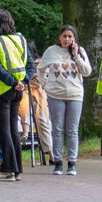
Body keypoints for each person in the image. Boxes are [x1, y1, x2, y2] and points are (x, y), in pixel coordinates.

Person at [37, 25, 92, 175]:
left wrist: (76, 56)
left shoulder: (80, 51)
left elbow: (87, 72)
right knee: (57, 129)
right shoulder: (51, 51)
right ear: (59, 37)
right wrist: (44, 84)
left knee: (72, 130)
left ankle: (72, 163)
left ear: (74, 38)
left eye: (70, 36)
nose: (67, 39)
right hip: (56, 95)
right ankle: (58, 162)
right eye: (64, 36)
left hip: (75, 95)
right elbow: (40, 69)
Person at [0, 8, 28, 181]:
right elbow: (29, 64)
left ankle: (8, 169)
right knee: (13, 131)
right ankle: (17, 170)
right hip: (17, 91)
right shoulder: (20, 39)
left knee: (4, 131)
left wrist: (12, 82)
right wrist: (21, 82)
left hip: (1, 91)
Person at [19, 39, 53, 162]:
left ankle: (50, 151)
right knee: (23, 105)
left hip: (38, 92)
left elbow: (45, 81)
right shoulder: (18, 62)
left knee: (42, 116)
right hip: (24, 91)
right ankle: (25, 131)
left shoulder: (40, 62)